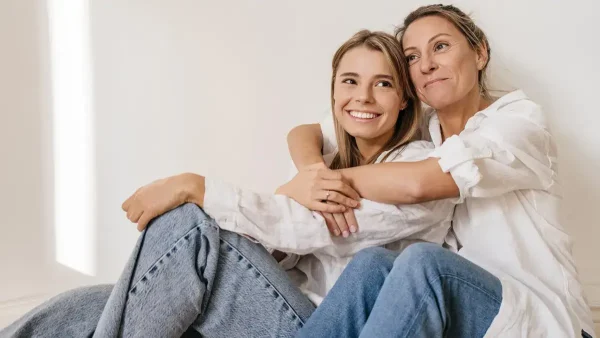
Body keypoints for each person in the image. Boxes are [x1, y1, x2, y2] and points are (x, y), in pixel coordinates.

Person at [1, 30, 454, 338]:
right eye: (350, 81)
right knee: (110, 296)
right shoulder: (339, 158)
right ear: (334, 91)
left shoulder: (412, 168)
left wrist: (196, 186)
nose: (363, 97)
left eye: (383, 84)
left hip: (317, 323)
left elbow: (303, 227)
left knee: (189, 227)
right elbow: (303, 136)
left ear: (403, 99)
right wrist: (309, 170)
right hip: (283, 298)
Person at [281, 4, 594, 338]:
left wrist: (324, 183)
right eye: (413, 57)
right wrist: (311, 170)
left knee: (422, 264)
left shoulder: (519, 123)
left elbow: (419, 183)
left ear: (479, 53)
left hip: (537, 322)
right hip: (460, 317)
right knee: (372, 263)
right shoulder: (422, 127)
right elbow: (309, 131)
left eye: (440, 46)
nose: (427, 64)